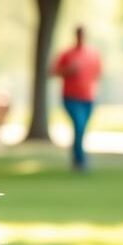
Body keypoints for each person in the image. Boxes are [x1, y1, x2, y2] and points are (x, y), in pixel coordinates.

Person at [51, 25, 102, 171]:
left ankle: (76, 158)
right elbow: (53, 71)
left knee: (81, 129)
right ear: (76, 35)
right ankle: (81, 160)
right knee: (79, 126)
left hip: (88, 98)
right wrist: (68, 71)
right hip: (71, 98)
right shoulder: (67, 54)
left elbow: (98, 73)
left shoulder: (93, 54)